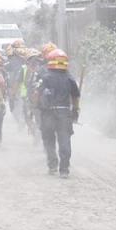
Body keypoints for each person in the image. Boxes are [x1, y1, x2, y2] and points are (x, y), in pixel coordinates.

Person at [37, 49, 80, 178]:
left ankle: (52, 165)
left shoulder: (45, 78)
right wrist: (75, 111)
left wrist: (38, 105)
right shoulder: (70, 78)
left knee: (49, 140)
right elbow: (75, 97)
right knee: (64, 140)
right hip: (64, 113)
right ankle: (64, 169)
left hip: (48, 113)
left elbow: (37, 94)